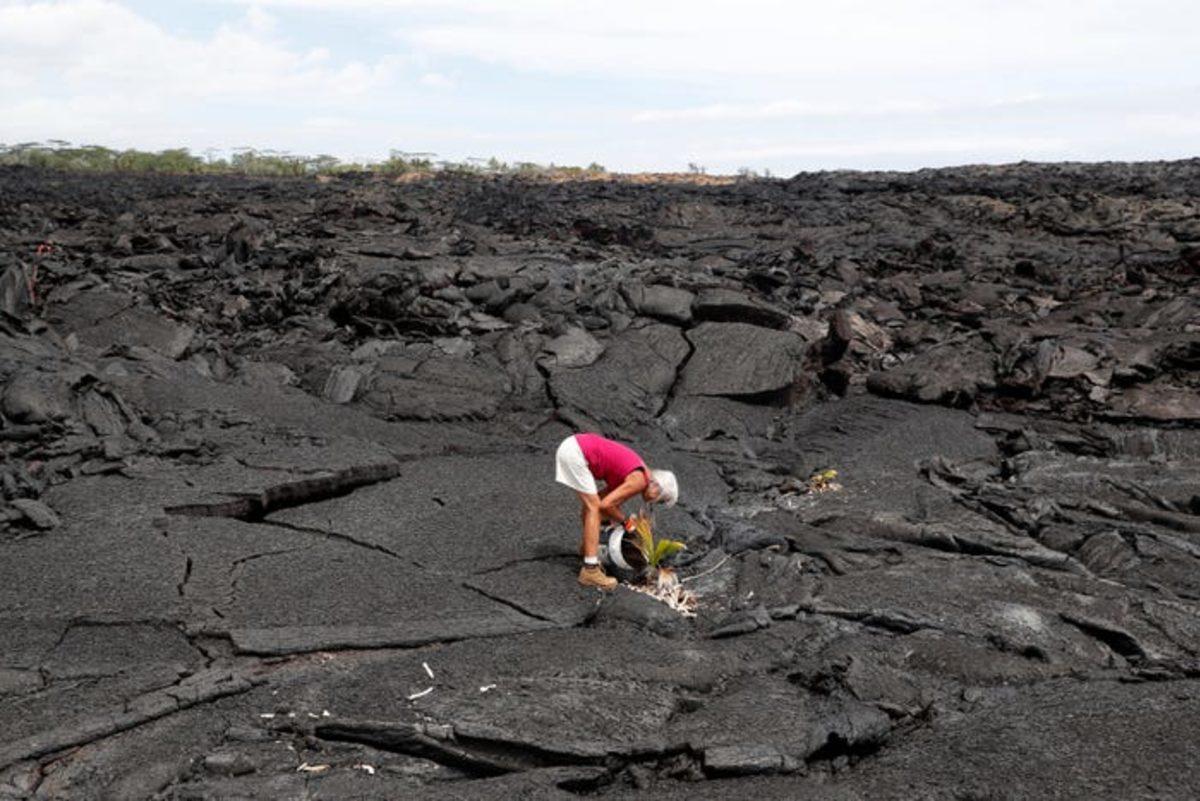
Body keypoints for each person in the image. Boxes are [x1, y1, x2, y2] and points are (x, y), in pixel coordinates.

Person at [554, 432, 678, 590]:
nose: (654, 502)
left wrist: (616, 520)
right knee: (594, 508)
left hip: (573, 446)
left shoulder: (637, 471)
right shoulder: (640, 480)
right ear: (656, 487)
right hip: (576, 452)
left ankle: (587, 550)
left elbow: (607, 502)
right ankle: (590, 571)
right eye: (659, 499)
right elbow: (605, 506)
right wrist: (627, 523)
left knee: (592, 505)